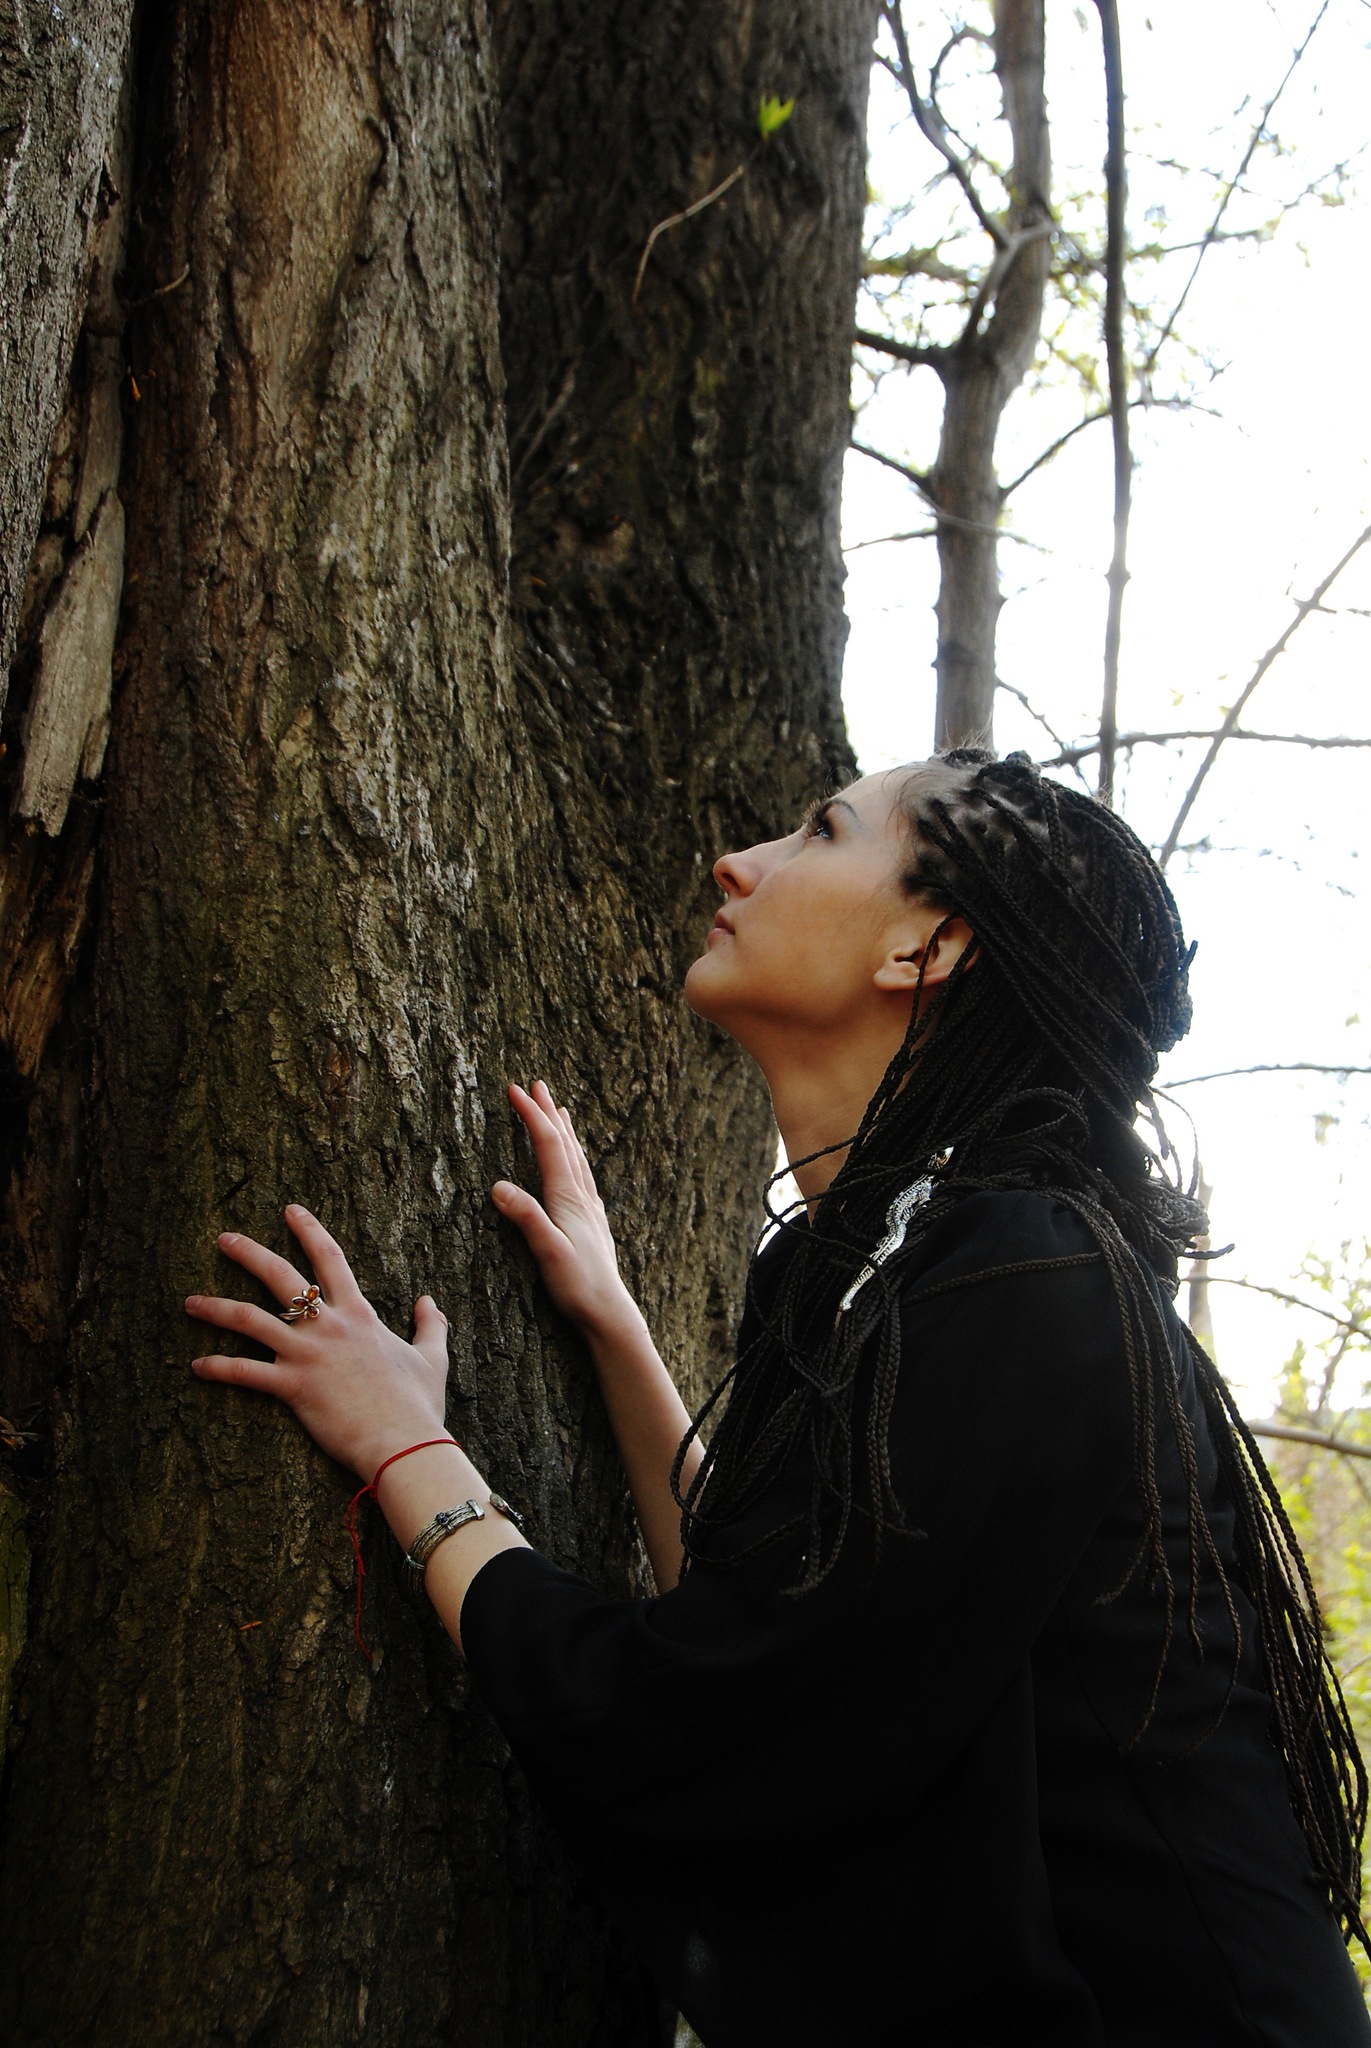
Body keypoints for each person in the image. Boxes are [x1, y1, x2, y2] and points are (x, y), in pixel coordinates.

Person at [186, 749, 1371, 2046]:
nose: (738, 861)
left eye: (821, 830)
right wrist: (614, 1325)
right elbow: (780, 1605)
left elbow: (713, 1722)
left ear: (927, 945)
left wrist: (405, 1443)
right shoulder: (872, 1267)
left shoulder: (1029, 1273)